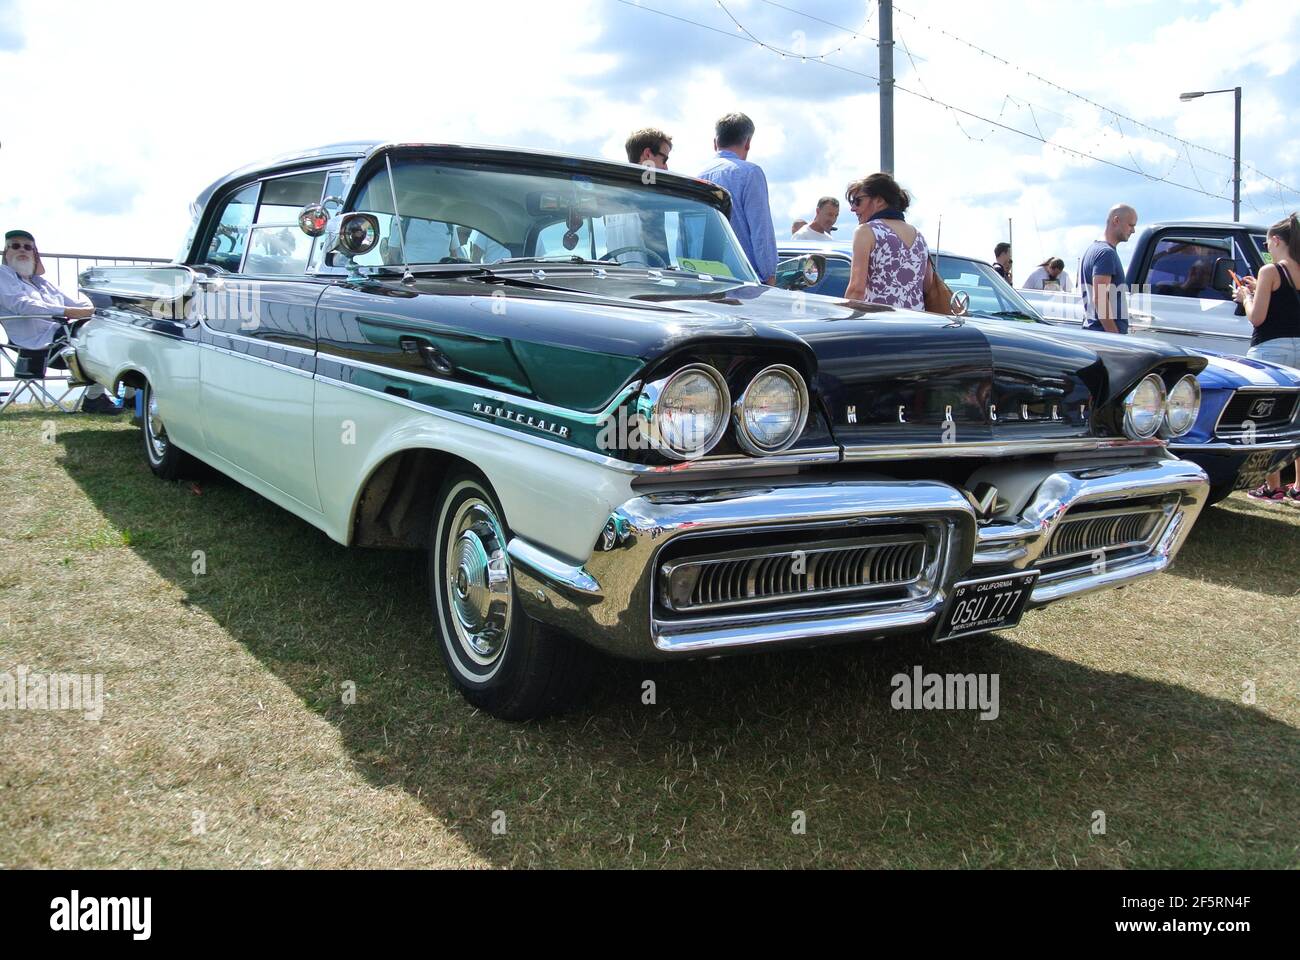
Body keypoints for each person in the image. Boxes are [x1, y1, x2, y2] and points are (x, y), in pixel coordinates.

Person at [0, 229, 117, 413]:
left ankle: (129, 396)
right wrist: (70, 312)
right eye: (15, 246)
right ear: (6, 252)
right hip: (36, 344)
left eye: (28, 247)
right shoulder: (3, 275)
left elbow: (75, 303)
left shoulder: (41, 282)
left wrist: (107, 309)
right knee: (97, 335)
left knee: (118, 331)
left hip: (61, 336)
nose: (22, 250)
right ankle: (94, 398)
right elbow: (22, 305)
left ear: (34, 253)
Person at [1235, 212, 1300, 503]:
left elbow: (1257, 318)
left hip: (1271, 350)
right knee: (1297, 419)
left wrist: (1245, 297)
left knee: (1268, 419)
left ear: (1276, 240)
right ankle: (1298, 486)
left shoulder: (1270, 272)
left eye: (1267, 244)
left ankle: (1272, 487)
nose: (1267, 249)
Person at [697, 113, 778, 284]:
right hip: (745, 281)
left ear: (715, 142)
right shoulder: (750, 173)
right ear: (748, 143)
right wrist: (769, 275)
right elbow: (761, 231)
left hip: (705, 279)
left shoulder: (698, 176)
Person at [842, 172, 931, 310]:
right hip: (916, 324)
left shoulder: (866, 231)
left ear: (879, 200)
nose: (853, 208)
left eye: (857, 201)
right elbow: (927, 285)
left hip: (879, 324)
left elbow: (856, 289)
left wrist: (844, 319)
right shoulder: (919, 236)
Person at [1079, 204, 1138, 334]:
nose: (1133, 231)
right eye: (1131, 225)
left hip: (1095, 332)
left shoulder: (1092, 249)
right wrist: (1114, 336)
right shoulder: (1106, 253)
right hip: (1104, 336)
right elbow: (1100, 298)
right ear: (1116, 220)